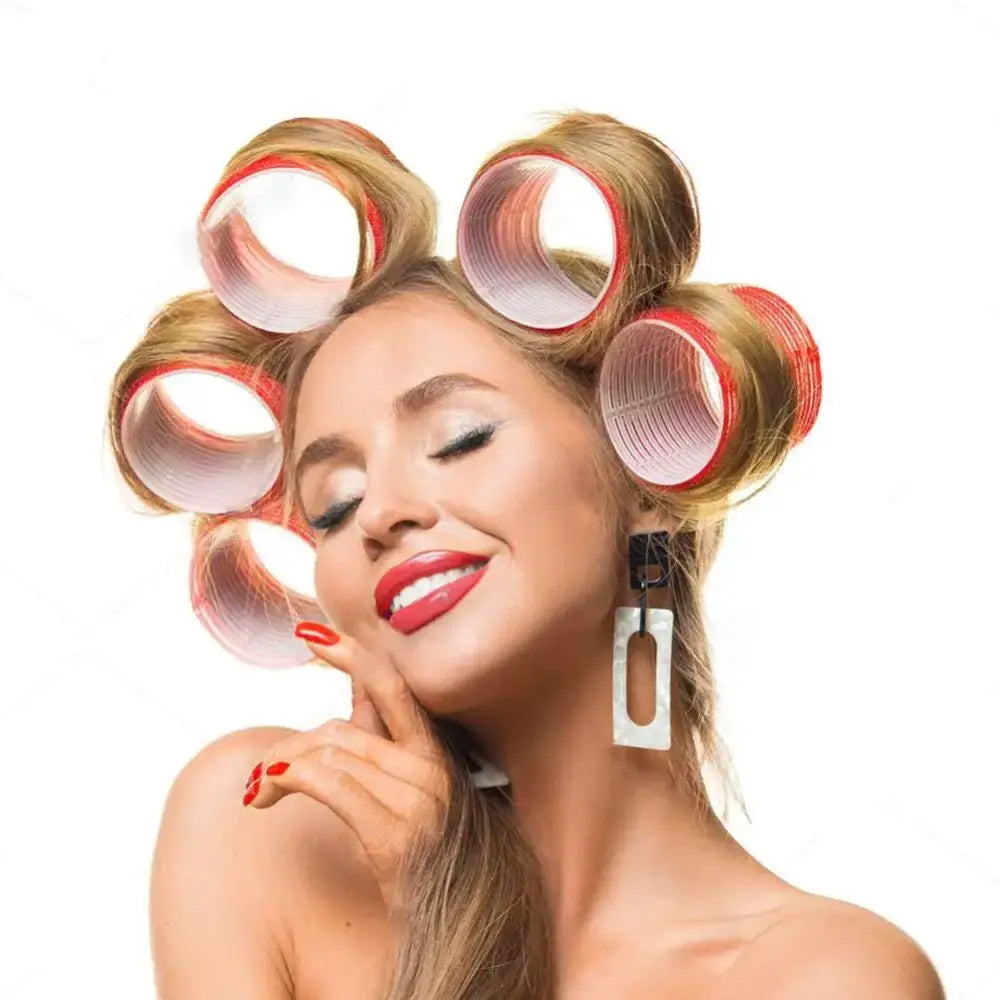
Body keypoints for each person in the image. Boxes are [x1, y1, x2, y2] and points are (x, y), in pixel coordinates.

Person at [109, 113, 946, 999]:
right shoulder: (260, 833)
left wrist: (444, 915)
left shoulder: (827, 977)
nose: (382, 515)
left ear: (645, 473)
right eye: (335, 505)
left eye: (462, 437)